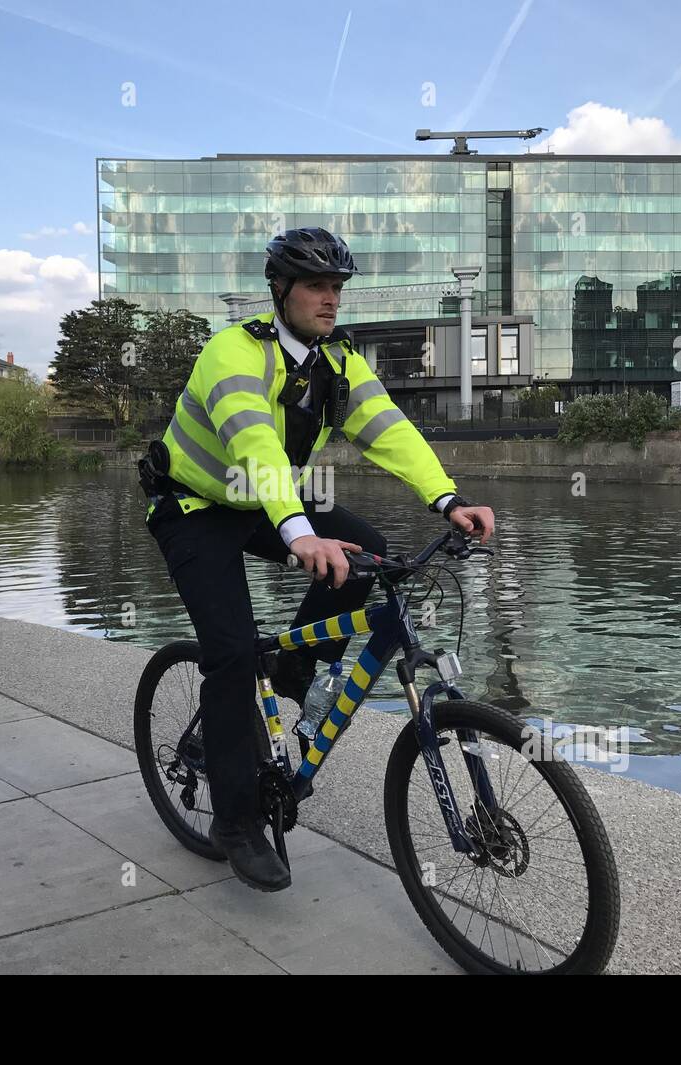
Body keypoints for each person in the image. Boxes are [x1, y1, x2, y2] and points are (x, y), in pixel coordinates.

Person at [141, 227, 495, 891]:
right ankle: (236, 820)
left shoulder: (338, 364)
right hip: (192, 507)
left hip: (258, 501)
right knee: (229, 650)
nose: (330, 299)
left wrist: (448, 499)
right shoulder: (232, 352)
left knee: (372, 551)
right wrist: (301, 533)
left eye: (337, 287)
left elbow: (392, 433)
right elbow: (255, 443)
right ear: (280, 290)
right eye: (316, 286)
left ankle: (293, 670)